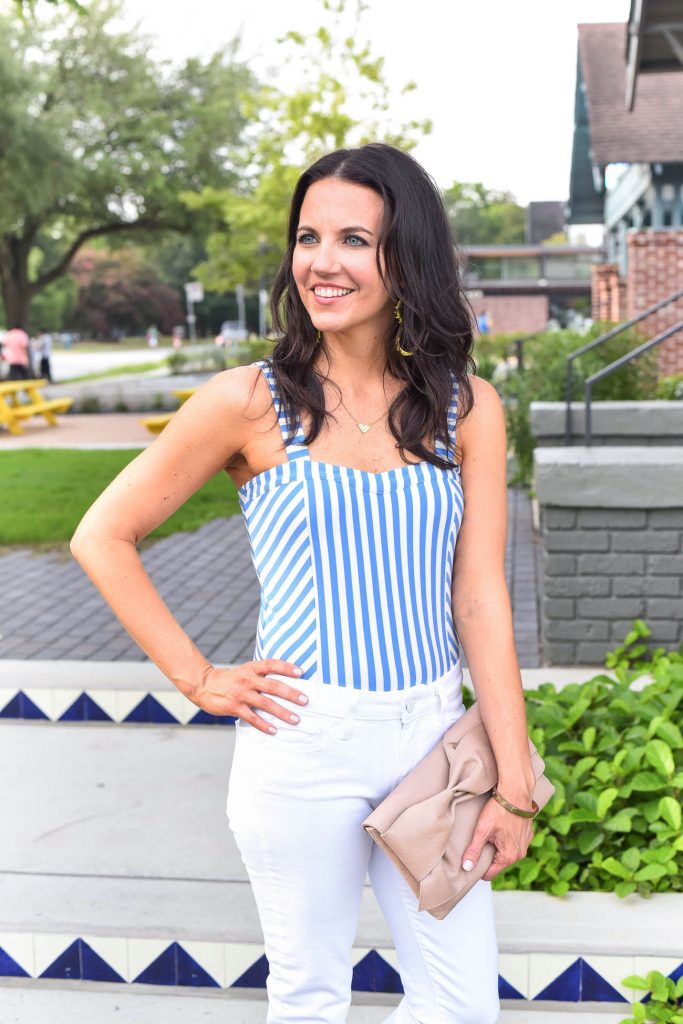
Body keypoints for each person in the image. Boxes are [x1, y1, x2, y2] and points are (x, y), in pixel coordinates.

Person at [70, 142, 537, 1023]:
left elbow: (480, 597)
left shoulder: (465, 407)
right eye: (309, 237)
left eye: (355, 239)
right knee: (311, 996)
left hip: (431, 740)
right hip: (301, 741)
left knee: (462, 1002)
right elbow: (103, 534)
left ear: (407, 259)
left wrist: (511, 781)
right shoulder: (249, 401)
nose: (322, 262)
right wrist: (199, 678)